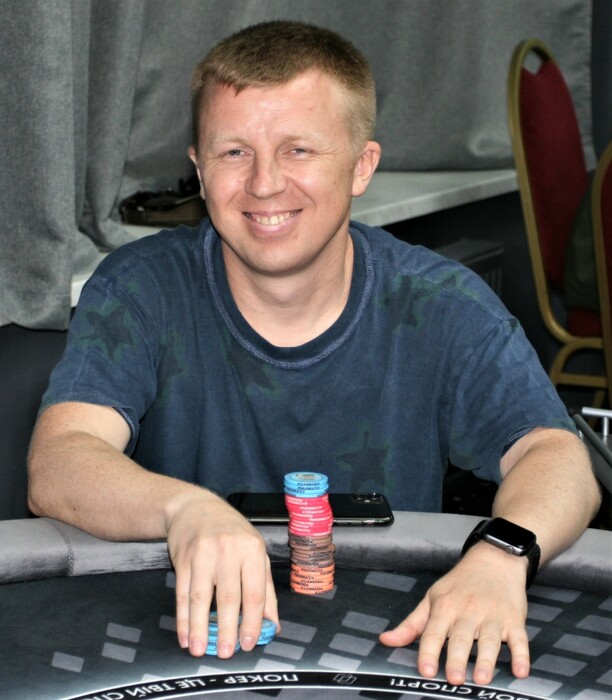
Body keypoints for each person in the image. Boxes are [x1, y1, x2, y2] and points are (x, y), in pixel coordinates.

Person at [27, 20, 600, 687]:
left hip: (385, 648)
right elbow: (60, 460)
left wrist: (503, 552)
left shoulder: (442, 304)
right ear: (199, 172)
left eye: (297, 149)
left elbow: (556, 456)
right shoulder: (140, 288)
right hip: (182, 647)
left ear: (361, 166)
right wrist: (186, 510)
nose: (264, 184)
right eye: (234, 152)